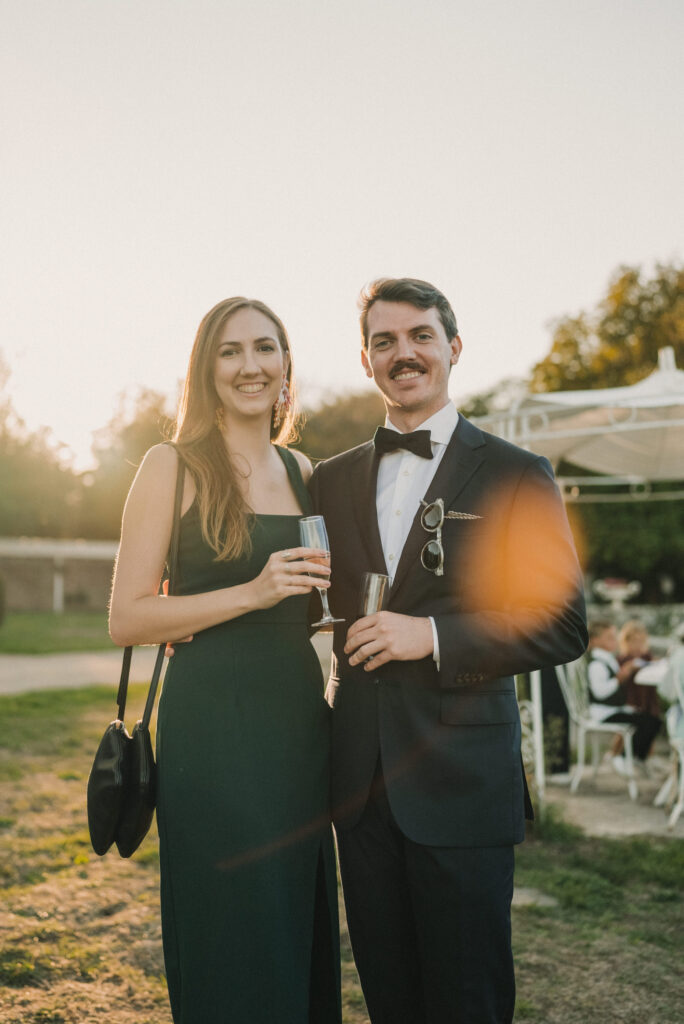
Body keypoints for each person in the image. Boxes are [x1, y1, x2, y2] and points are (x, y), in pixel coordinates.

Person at [309, 277, 588, 1024]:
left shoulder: (515, 473)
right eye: (384, 340)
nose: (403, 353)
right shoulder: (327, 483)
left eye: (420, 336)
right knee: (389, 998)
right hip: (361, 788)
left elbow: (562, 622)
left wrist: (429, 635)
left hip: (463, 787)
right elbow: (300, 596)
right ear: (366, 360)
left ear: (453, 347)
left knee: (468, 1000)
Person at [109, 297, 341, 1024]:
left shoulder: (305, 470)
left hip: (298, 723)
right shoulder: (169, 466)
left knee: (288, 912)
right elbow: (127, 617)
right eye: (231, 351)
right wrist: (250, 592)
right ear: (206, 370)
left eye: (265, 348)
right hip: (213, 724)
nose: (251, 366)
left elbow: (315, 609)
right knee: (228, 919)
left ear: (285, 365)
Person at [586, 617, 661, 776]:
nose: (614, 641)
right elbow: (600, 692)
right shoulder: (596, 664)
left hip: (614, 708)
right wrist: (619, 678)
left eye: (614, 637)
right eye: (609, 637)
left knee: (653, 719)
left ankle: (638, 757)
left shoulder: (608, 659)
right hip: (604, 712)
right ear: (595, 640)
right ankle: (623, 756)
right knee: (647, 721)